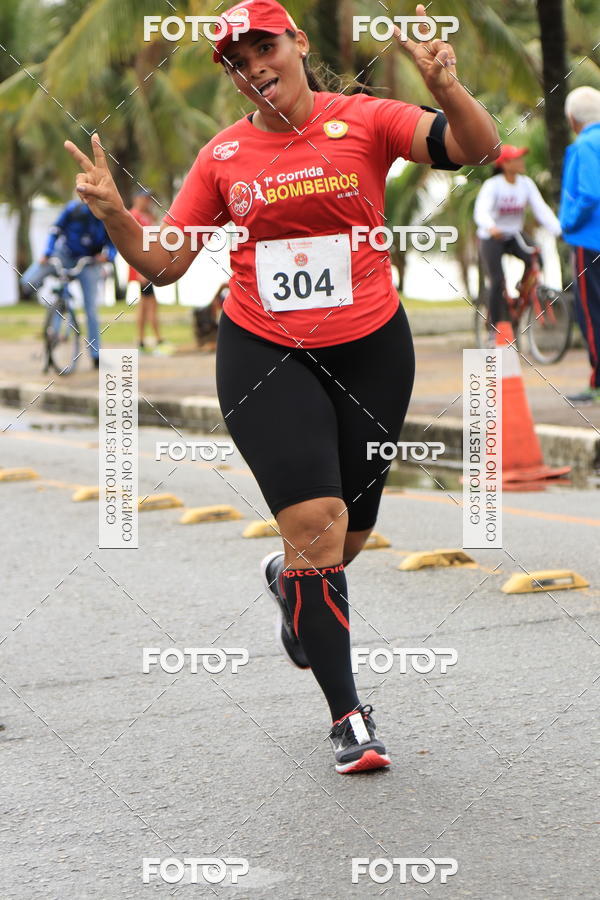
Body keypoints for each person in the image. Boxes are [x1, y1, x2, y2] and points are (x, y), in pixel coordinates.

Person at [65, 0, 500, 773]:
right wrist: (114, 219)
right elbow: (165, 263)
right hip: (264, 352)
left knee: (348, 538)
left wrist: (448, 88)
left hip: (371, 350)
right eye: (235, 59)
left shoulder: (363, 120)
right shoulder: (223, 156)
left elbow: (472, 147)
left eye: (263, 46)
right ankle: (349, 716)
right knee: (317, 522)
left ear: (297, 44)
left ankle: (290, 586)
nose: (252, 66)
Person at [474, 144, 561, 338]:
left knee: (536, 259)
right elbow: (481, 210)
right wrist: (490, 226)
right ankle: (494, 329)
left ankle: (522, 292)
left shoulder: (526, 184)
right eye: (516, 159)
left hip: (514, 235)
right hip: (492, 236)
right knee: (497, 280)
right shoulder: (493, 185)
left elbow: (542, 209)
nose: (521, 162)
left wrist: (559, 230)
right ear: (504, 164)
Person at [21, 198, 116, 368]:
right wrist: (47, 252)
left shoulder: (106, 216)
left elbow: (115, 242)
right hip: (64, 255)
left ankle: (95, 355)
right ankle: (54, 325)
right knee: (28, 281)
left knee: (91, 309)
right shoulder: (74, 209)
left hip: (89, 262)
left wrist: (108, 256)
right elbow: (55, 230)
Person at [560, 86, 600, 404]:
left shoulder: (584, 145)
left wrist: (568, 222)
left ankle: (597, 381)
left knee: (590, 311)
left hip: (589, 240)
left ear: (572, 119)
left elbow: (589, 193)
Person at [128, 189, 170, 354]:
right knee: (151, 304)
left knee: (145, 305)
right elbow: (134, 243)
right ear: (137, 198)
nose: (147, 201)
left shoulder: (148, 217)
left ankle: (141, 340)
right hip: (143, 268)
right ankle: (158, 340)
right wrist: (139, 269)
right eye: (145, 198)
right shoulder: (134, 216)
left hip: (148, 266)